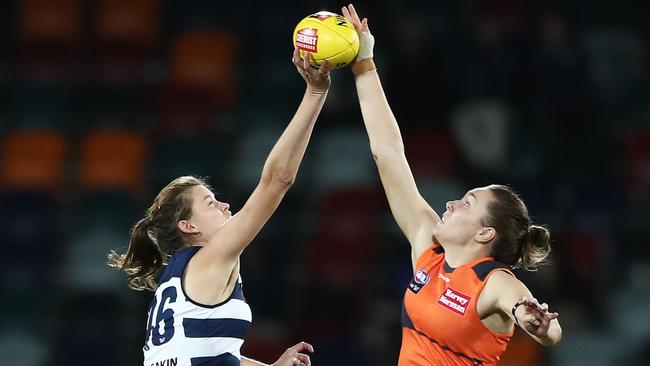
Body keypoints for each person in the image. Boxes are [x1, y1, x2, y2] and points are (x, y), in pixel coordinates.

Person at [341, 4, 562, 365]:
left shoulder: (493, 283)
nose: (450, 205)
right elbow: (388, 154)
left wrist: (537, 324)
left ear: (484, 234)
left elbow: (542, 325)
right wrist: (365, 64)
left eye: (467, 203)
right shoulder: (427, 252)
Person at [108, 49, 330, 366]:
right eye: (210, 203)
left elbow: (211, 354)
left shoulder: (179, 276)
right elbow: (278, 179)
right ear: (189, 226)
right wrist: (315, 92)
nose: (225, 206)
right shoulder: (210, 257)